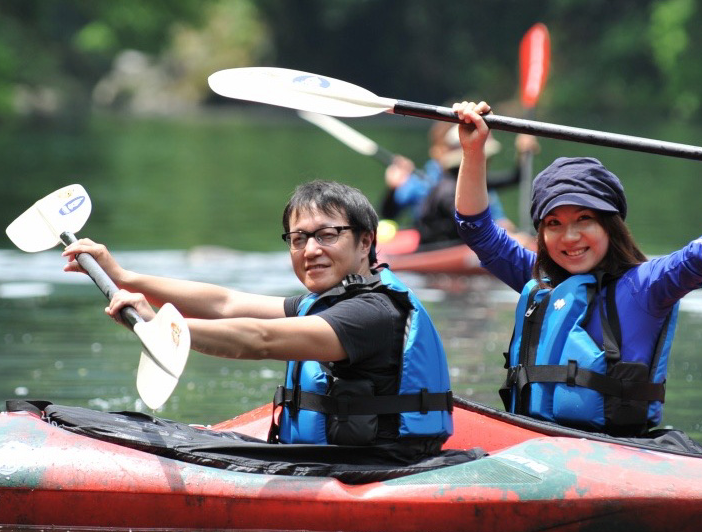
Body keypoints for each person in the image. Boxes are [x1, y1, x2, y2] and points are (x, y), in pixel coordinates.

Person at [449, 100, 702, 448]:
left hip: (621, 453)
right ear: (543, 234)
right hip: (535, 443)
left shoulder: (646, 287)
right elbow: (475, 228)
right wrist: (474, 150)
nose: (570, 237)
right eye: (554, 223)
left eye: (585, 220)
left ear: (610, 227)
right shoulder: (538, 280)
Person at [62, 178, 454, 459]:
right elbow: (227, 302)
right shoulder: (328, 301)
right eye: (298, 239)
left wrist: (165, 328)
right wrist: (125, 277)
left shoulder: (371, 313)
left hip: (374, 468)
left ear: (366, 240)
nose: (310, 249)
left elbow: (260, 339)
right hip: (330, 459)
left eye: (327, 235)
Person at [382, 118, 537, 246]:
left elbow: (515, 178)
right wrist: (393, 187)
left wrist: (523, 154)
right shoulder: (443, 189)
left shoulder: (473, 181)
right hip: (437, 246)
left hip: (457, 240)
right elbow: (473, 224)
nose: (485, 161)